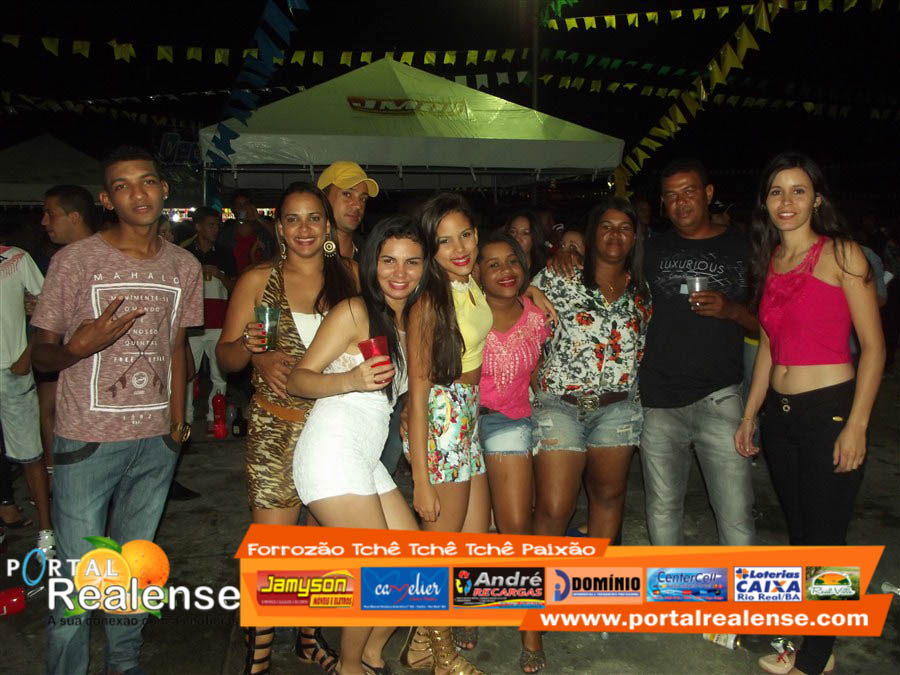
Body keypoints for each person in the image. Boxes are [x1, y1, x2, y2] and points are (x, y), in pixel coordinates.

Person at [31, 146, 203, 674]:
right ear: (107, 200)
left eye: (147, 181)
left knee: (134, 568)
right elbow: (40, 353)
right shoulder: (75, 261)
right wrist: (76, 348)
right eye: (122, 186)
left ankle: (124, 664)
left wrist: (177, 423)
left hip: (155, 443)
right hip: (88, 441)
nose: (138, 194)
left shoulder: (184, 265)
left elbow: (177, 345)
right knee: (78, 581)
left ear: (164, 190)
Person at [735, 152, 885, 675]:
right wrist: (750, 414)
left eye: (798, 190)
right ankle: (817, 641)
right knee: (802, 535)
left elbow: (874, 347)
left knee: (827, 539)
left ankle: (815, 658)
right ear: (765, 202)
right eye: (776, 191)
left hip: (830, 412)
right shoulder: (771, 260)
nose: (787, 201)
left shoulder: (842, 254)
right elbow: (769, 346)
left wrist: (858, 425)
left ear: (817, 198)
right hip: (781, 416)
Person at [216, 182, 356, 674]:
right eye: (293, 219)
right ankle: (258, 656)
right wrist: (251, 349)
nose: (304, 229)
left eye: (313, 218)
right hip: (277, 428)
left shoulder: (350, 277)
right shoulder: (258, 280)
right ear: (279, 227)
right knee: (274, 549)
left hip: (335, 432)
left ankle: (309, 638)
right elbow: (226, 358)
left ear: (327, 225)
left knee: (321, 546)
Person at [287, 215, 423, 675]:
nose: (399, 273)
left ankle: (371, 653)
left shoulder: (410, 319)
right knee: (378, 569)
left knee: (414, 564)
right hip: (331, 452)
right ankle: (349, 667)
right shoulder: (354, 311)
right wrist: (350, 380)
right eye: (388, 261)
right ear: (371, 263)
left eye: (411, 262)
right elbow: (298, 380)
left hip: (365, 458)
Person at [638, 158, 758, 546]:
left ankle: (739, 588)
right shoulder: (651, 250)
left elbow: (771, 324)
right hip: (659, 400)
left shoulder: (743, 248)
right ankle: (668, 584)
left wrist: (731, 310)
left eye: (689, 192)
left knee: (735, 516)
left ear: (708, 194)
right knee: (662, 508)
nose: (681, 202)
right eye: (671, 196)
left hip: (720, 398)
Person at [403, 193, 488, 674]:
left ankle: (419, 642)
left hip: (466, 416)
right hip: (442, 420)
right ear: (429, 249)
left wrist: (535, 294)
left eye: (466, 235)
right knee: (440, 551)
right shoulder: (428, 303)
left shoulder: (469, 281)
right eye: (444, 241)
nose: (459, 248)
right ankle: (444, 657)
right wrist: (421, 480)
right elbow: (418, 396)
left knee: (472, 539)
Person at [476, 231, 550, 673]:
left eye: (512, 261)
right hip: (461, 424)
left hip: (510, 421)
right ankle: (470, 610)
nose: (505, 271)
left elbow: (536, 371)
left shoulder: (537, 317)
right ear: (477, 272)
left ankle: (531, 630)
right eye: (493, 264)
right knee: (472, 530)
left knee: (516, 528)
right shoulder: (464, 311)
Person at [37, 185, 96, 482]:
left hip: (100, 389)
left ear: (74, 216)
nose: (44, 221)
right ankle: (54, 472)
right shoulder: (62, 259)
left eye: (51, 214)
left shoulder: (105, 256)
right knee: (48, 406)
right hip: (62, 357)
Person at [0, 242, 52, 554]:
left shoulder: (15, 258)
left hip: (10, 371)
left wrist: (27, 354)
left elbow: (49, 306)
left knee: (31, 455)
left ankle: (47, 533)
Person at [181, 206, 236, 434]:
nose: (215, 229)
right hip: (193, 325)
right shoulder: (185, 253)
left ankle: (216, 418)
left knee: (219, 376)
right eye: (211, 225)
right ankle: (185, 419)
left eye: (217, 225)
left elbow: (235, 288)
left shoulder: (224, 254)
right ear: (198, 226)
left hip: (219, 323)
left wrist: (220, 274)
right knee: (187, 375)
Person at [317, 160, 379, 260]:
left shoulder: (372, 256)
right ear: (323, 198)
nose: (358, 206)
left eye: (363, 198)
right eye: (347, 194)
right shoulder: (304, 254)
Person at [504, 210, 546, 279]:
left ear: (535, 237)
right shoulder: (501, 270)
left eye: (525, 233)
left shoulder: (543, 273)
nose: (517, 238)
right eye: (513, 232)